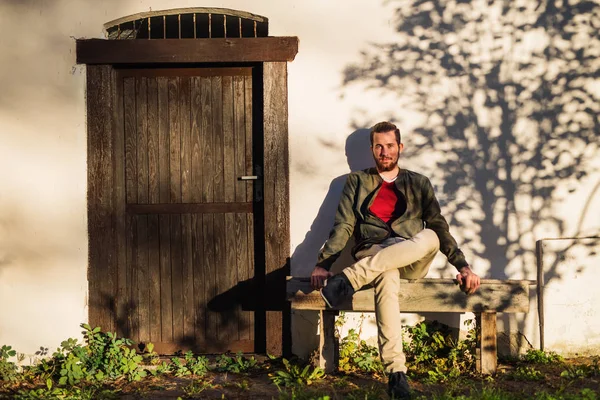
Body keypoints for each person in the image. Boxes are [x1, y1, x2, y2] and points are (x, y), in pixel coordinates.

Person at [310, 121, 480, 399]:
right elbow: (343, 226)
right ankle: (396, 374)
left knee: (431, 236)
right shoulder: (357, 181)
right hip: (373, 253)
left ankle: (350, 279)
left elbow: (440, 225)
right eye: (379, 146)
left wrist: (462, 265)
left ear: (400, 147)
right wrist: (324, 263)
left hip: (410, 256)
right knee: (386, 277)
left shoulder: (419, 183)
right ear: (371, 149)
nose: (384, 151)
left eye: (390, 146)